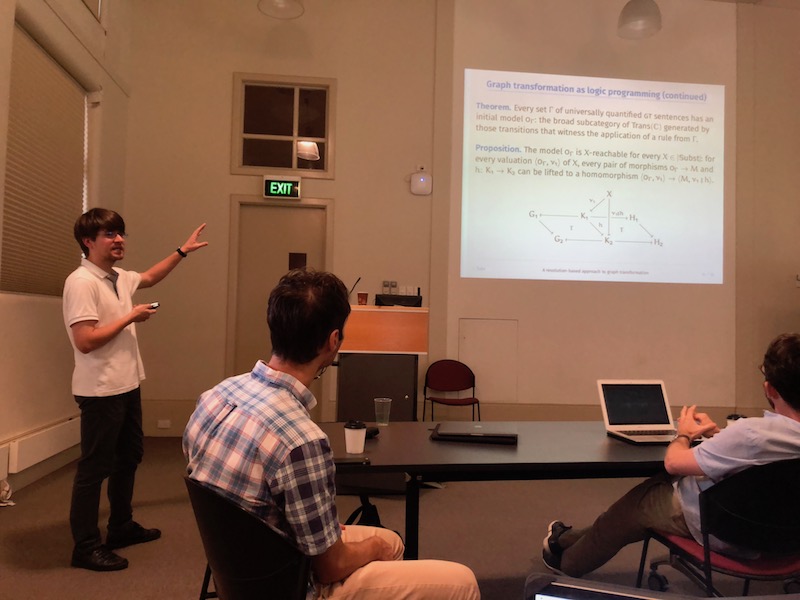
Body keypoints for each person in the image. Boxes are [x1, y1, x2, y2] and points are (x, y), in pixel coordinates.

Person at [183, 269, 480, 599]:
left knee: (394, 542)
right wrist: (373, 546)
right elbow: (330, 567)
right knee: (460, 580)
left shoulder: (215, 397)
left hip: (245, 566)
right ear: (333, 340)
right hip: (291, 586)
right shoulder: (301, 441)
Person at [542, 332, 800, 577]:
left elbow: (674, 463)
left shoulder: (751, 433)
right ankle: (566, 539)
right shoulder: (759, 436)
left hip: (727, 530)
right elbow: (763, 462)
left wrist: (684, 434)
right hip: (784, 535)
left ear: (770, 389)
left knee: (637, 504)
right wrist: (720, 437)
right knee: (646, 495)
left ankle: (567, 563)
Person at [63, 208, 208, 571]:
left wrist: (182, 251)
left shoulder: (117, 278)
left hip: (127, 384)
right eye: (110, 234)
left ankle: (121, 527)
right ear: (88, 241)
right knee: (94, 468)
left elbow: (149, 277)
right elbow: (85, 341)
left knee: (128, 458)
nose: (119, 240)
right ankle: (85, 547)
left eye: (121, 233)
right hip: (100, 390)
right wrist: (130, 316)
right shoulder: (81, 282)